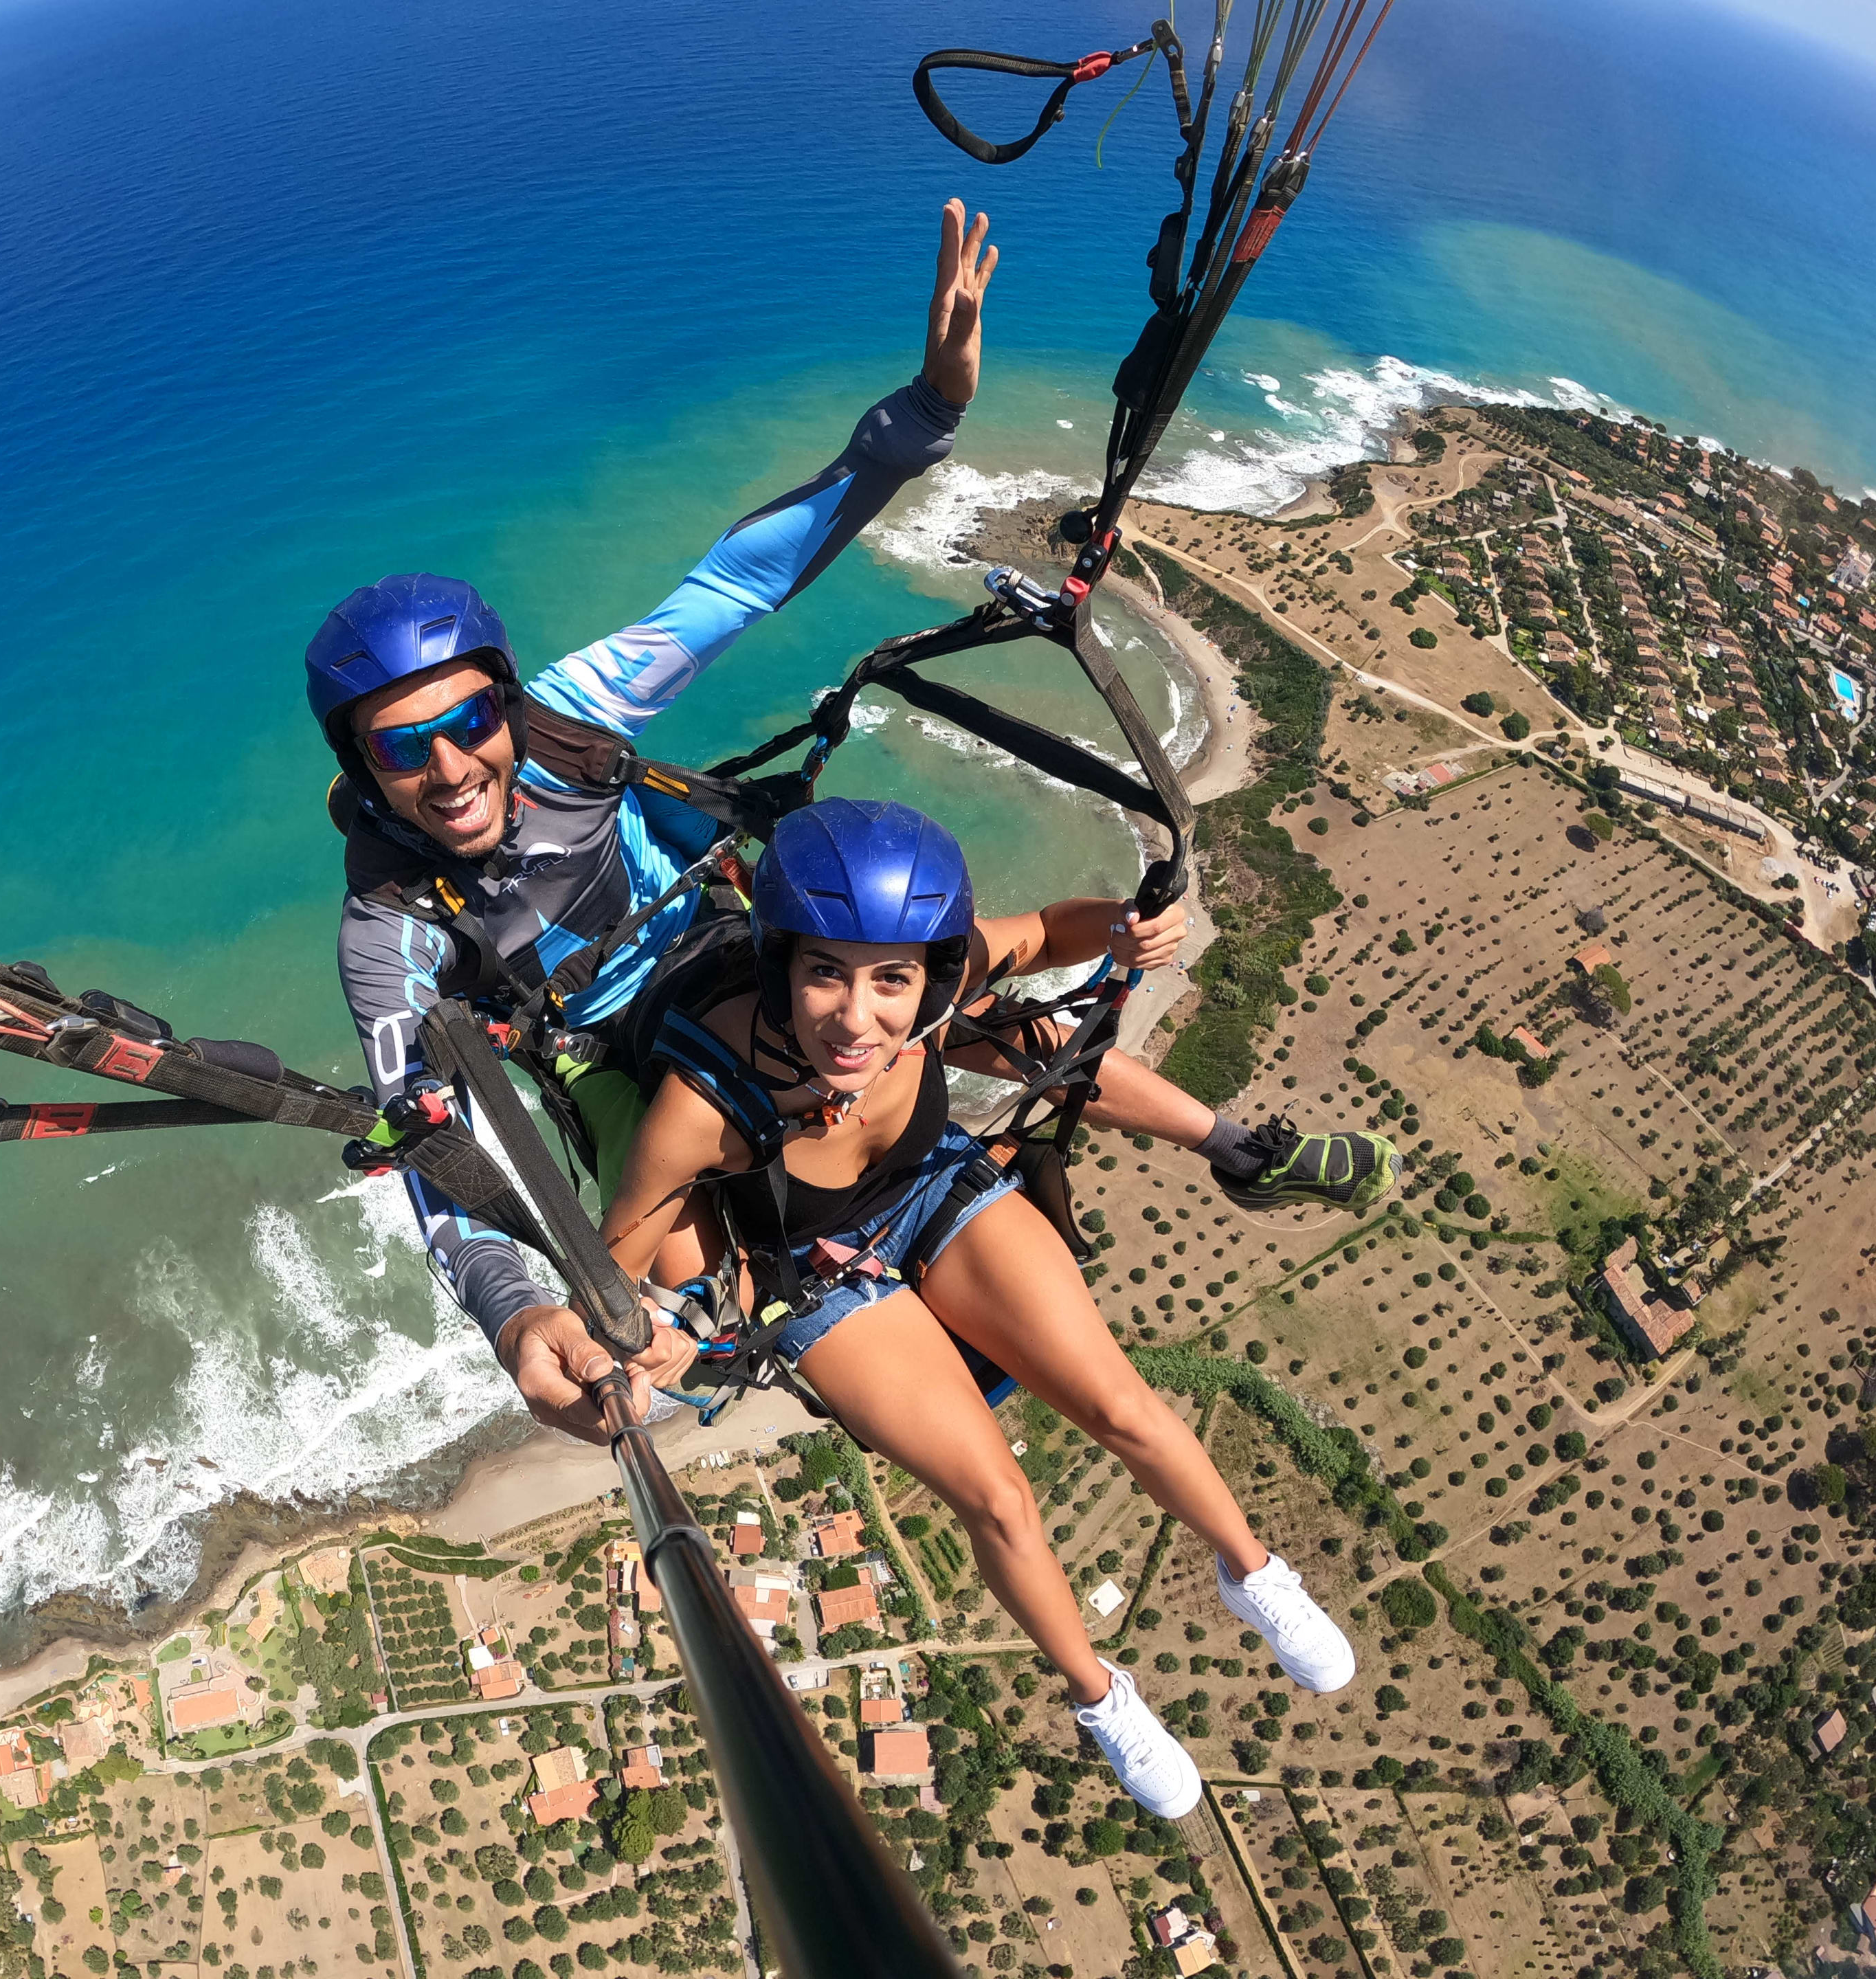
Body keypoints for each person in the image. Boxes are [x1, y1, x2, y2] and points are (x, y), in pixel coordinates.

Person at [306, 203, 1393, 1445]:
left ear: (506, 698)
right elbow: (428, 1134)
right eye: (401, 748)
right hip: (616, 1053)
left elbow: (738, 581)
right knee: (668, 1240)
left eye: (471, 720)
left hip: (724, 939)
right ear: (360, 766)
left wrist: (924, 414)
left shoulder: (565, 719)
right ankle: (775, 1303)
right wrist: (513, 1315)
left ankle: (1244, 1147)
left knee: (965, 1008)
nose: (450, 767)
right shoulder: (386, 930)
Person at [597, 798, 1359, 1817]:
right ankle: (1102, 1698)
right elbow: (618, 1260)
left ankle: (1254, 1572)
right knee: (998, 1496)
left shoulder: (939, 991)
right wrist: (654, 1338)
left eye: (890, 981)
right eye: (825, 971)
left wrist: (1128, 930)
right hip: (816, 1273)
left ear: (930, 973)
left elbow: (1048, 933)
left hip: (935, 1194)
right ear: (782, 965)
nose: (855, 1018)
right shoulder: (704, 1101)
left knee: (1119, 1404)